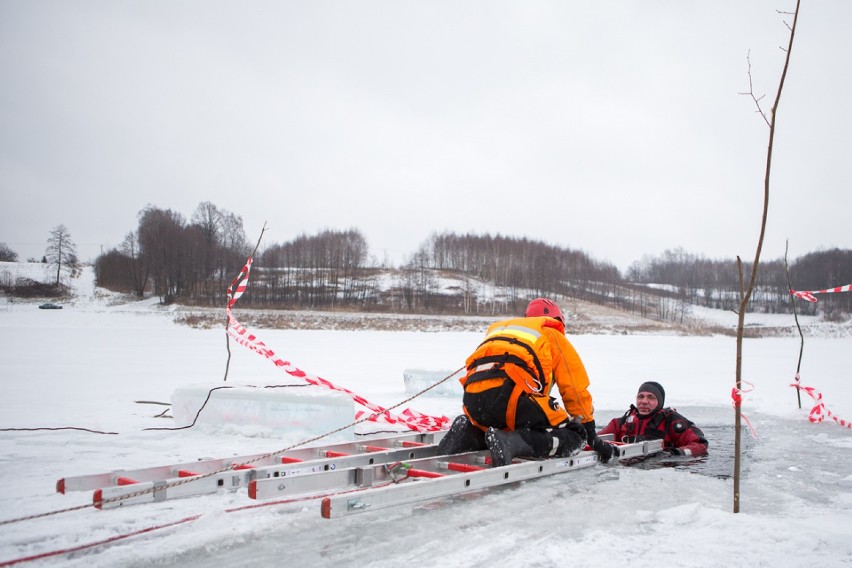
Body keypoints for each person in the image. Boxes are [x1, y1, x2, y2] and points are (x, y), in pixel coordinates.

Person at [437, 298, 613, 466]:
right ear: (558, 320)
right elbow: (574, 387)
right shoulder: (551, 333)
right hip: (512, 399)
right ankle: (511, 442)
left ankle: (468, 431)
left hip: (473, 403)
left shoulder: (504, 331)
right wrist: (590, 434)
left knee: (498, 420)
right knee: (575, 435)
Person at [597, 381, 709, 458]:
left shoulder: (671, 421)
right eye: (640, 396)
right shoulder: (620, 423)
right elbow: (594, 440)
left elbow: (700, 444)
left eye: (651, 397)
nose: (644, 401)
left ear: (660, 402)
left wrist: (675, 454)